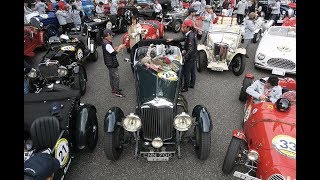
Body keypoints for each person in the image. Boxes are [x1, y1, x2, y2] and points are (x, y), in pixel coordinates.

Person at [167, 20, 197, 92]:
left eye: (184, 27)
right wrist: (173, 39)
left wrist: (184, 58)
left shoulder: (190, 36)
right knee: (192, 70)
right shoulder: (190, 33)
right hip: (194, 56)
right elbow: (182, 38)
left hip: (190, 57)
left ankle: (185, 87)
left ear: (188, 27)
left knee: (186, 72)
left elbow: (190, 49)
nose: (182, 28)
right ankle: (192, 84)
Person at [101, 28, 127, 97]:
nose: (112, 36)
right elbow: (113, 53)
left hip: (108, 62)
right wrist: (120, 47)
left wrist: (117, 47)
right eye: (111, 35)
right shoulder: (107, 44)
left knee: (112, 76)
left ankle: (114, 89)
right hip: (111, 63)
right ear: (107, 35)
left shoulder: (105, 41)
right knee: (116, 77)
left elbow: (110, 50)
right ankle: (116, 91)